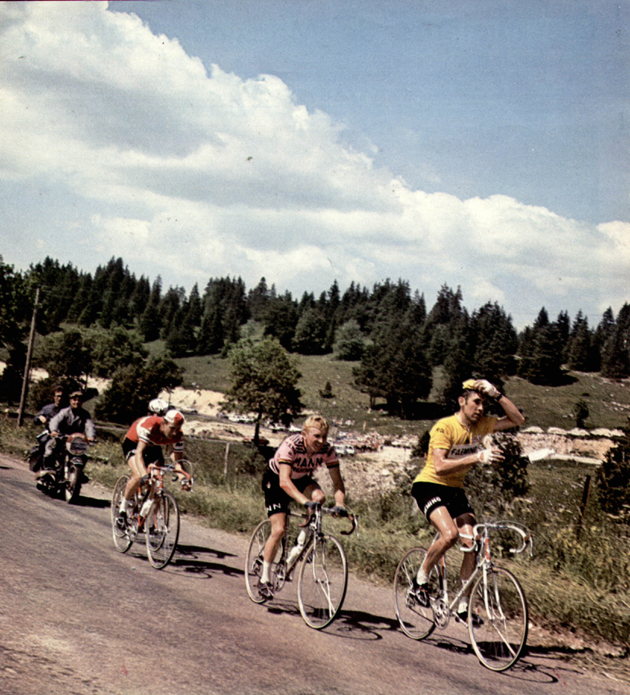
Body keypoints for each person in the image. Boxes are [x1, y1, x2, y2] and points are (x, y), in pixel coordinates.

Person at [411, 379, 525, 622]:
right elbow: (440, 466)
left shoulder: (482, 425)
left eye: (484, 403)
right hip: (429, 485)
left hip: (455, 489)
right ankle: (420, 580)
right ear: (462, 402)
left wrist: (498, 394)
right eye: (476, 402)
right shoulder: (445, 426)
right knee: (450, 535)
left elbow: (518, 420)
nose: (481, 408)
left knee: (472, 541)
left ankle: (463, 607)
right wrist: (478, 456)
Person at [258, 414, 346, 600]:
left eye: (324, 436)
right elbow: (284, 481)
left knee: (319, 497)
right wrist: (305, 502)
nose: (321, 441)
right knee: (279, 529)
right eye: (316, 436)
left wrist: (339, 504)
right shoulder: (291, 445)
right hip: (277, 481)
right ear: (304, 434)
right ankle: (264, 579)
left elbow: (337, 482)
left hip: (301, 479)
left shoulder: (327, 450)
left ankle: (298, 548)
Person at [116, 408, 190, 526]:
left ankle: (146, 518)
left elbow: (178, 462)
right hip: (134, 443)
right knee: (138, 475)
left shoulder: (178, 435)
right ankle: (122, 510)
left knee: (157, 479)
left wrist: (183, 479)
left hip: (153, 446)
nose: (174, 433)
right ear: (164, 423)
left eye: (177, 429)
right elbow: (139, 453)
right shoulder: (150, 425)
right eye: (172, 428)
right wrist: (144, 475)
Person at [38, 389, 97, 476]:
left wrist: (91, 436)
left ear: (82, 402)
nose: (77, 402)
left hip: (75, 440)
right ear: (70, 401)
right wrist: (54, 430)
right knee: (50, 451)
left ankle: (78, 474)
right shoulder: (65, 412)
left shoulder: (85, 414)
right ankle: (47, 471)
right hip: (61, 438)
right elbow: (55, 420)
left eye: (79, 400)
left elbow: (89, 426)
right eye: (74, 400)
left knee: (83, 456)